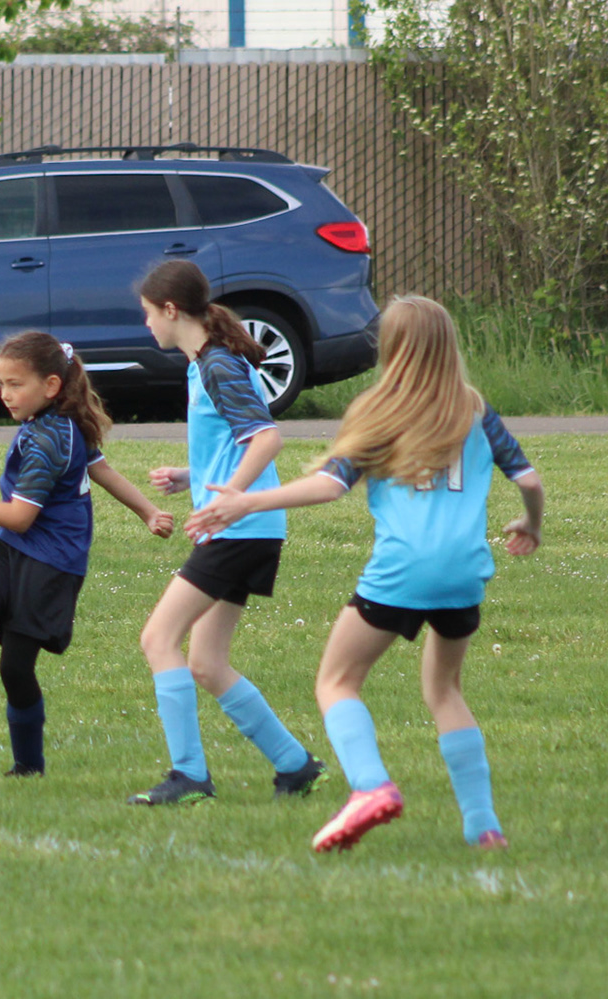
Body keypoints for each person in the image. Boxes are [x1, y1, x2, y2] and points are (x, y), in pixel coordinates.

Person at [188, 295, 542, 852]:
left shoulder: (379, 410)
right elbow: (530, 480)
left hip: (402, 569)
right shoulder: (474, 410)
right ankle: (483, 826)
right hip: (465, 574)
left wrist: (246, 501)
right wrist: (530, 524)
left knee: (337, 681)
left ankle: (371, 787)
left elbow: (329, 485)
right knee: (445, 690)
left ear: (391, 349)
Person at [0, 332, 174, 777]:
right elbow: (100, 468)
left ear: (51, 386)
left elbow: (21, 517)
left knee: (15, 667)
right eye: (1, 383)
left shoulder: (49, 440)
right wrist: (148, 511)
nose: (4, 394)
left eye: (15, 384)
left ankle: (28, 766)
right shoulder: (56, 421)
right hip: (8, 545)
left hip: (51, 561)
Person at [126, 260, 327, 805]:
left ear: (171, 310)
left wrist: (231, 497)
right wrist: (191, 477)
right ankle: (295, 766)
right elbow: (233, 442)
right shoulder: (205, 365)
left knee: (157, 639)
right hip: (249, 527)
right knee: (206, 663)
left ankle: (189, 776)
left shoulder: (217, 365)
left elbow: (266, 439)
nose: (147, 324)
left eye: (148, 313)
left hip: (242, 528)